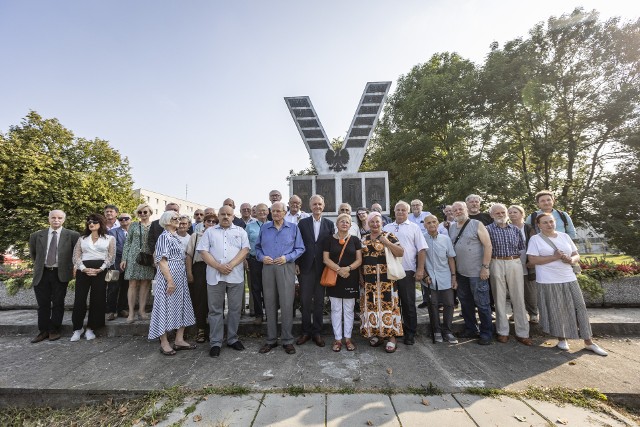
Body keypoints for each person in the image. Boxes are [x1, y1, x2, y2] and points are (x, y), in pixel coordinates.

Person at [527, 213, 607, 356]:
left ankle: (589, 342)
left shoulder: (564, 236)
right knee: (557, 310)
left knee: (580, 308)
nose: (549, 224)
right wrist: (554, 257)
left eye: (551, 221)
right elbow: (532, 261)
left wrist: (571, 260)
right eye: (545, 222)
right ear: (538, 225)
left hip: (569, 278)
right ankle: (562, 339)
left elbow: (577, 255)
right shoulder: (535, 239)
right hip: (548, 280)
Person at [198, 206, 250, 358]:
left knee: (234, 309)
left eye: (229, 214)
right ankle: (215, 342)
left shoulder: (241, 231)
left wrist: (231, 265)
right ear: (218, 216)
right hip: (215, 276)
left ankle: (233, 339)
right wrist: (218, 266)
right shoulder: (210, 232)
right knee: (215, 310)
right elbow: (203, 251)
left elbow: (245, 250)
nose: (226, 217)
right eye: (223, 214)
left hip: (235, 276)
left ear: (234, 216)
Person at [256, 201, 305, 355]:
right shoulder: (264, 228)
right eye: (273, 211)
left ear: (285, 212)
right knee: (269, 303)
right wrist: (262, 257)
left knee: (286, 304)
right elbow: (257, 248)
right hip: (268, 268)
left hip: (286, 267)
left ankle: (287, 340)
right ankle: (271, 339)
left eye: (279, 211)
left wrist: (287, 257)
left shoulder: (293, 228)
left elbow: (300, 248)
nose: (276, 213)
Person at [148, 211, 196, 356]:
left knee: (182, 305)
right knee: (164, 307)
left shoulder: (174, 236)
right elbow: (161, 260)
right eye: (174, 218)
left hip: (179, 275)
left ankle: (179, 339)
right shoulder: (164, 236)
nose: (178, 220)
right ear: (167, 221)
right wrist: (169, 281)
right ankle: (164, 342)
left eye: (179, 218)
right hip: (169, 276)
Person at [28, 210, 80, 343]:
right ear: (49, 219)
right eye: (53, 217)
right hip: (42, 273)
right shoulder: (36, 235)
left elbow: (76, 254)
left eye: (59, 218)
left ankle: (54, 330)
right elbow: (34, 254)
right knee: (42, 304)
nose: (56, 220)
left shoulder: (73, 235)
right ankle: (43, 331)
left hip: (60, 273)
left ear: (64, 219)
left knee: (58, 302)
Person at [383, 201, 427, 345]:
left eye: (403, 210)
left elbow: (421, 249)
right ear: (394, 211)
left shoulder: (414, 228)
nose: (400, 212)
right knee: (391, 303)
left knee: (408, 303)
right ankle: (395, 331)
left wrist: (420, 269)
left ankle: (410, 332)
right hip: (389, 270)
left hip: (407, 270)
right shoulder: (387, 227)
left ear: (407, 212)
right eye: (398, 210)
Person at [448, 201, 494, 345]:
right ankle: (471, 329)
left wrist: (485, 267)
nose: (457, 212)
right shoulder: (452, 227)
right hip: (461, 273)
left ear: (466, 210)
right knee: (466, 304)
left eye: (460, 209)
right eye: (454, 210)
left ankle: (486, 333)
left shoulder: (476, 224)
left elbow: (488, 245)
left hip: (477, 273)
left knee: (482, 303)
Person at [486, 204, 532, 346]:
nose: (500, 214)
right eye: (497, 213)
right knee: (499, 297)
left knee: (518, 297)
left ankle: (522, 333)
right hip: (496, 262)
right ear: (492, 215)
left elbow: (521, 248)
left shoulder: (516, 230)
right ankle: (502, 332)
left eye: (503, 212)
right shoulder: (487, 230)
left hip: (514, 262)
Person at [360, 212, 404, 353]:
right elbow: (360, 260)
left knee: (389, 307)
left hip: (387, 280)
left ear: (382, 222)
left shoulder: (389, 236)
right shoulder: (364, 238)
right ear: (368, 223)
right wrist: (360, 278)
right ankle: (378, 335)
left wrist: (387, 243)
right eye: (371, 222)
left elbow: (400, 252)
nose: (375, 224)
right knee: (373, 307)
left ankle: (391, 338)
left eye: (377, 221)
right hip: (370, 281)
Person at [296, 195, 335, 347]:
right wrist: (296, 263)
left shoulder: (329, 224)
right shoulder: (303, 223)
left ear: (323, 206)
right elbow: (298, 243)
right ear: (310, 206)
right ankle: (306, 332)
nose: (317, 206)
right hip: (306, 267)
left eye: (319, 204)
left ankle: (317, 332)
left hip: (322, 267)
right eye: (314, 204)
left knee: (319, 302)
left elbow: (331, 247)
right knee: (305, 301)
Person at [70, 214, 116, 341]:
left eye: (95, 221)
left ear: (101, 223)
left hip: (100, 271)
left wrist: (100, 269)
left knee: (98, 300)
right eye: (89, 221)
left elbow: (111, 257)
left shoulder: (109, 238)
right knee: (79, 299)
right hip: (83, 270)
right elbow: (76, 256)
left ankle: (91, 328)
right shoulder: (82, 239)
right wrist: (84, 268)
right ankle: (77, 329)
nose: (91, 223)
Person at [322, 213, 362, 352]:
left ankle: (348, 338)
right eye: (342, 221)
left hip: (350, 277)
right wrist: (339, 270)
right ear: (337, 224)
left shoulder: (355, 240)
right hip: (335, 277)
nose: (344, 223)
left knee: (349, 310)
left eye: (347, 222)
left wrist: (348, 268)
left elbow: (359, 260)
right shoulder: (328, 240)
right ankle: (338, 339)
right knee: (336, 309)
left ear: (350, 225)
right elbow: (326, 259)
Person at [422, 215, 458, 344]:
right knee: (433, 305)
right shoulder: (422, 239)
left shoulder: (445, 239)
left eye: (434, 222)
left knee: (449, 303)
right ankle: (436, 331)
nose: (431, 224)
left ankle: (447, 331)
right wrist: (425, 275)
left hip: (445, 276)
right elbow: (419, 260)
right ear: (424, 225)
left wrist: (454, 277)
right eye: (428, 223)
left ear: (438, 224)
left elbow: (451, 258)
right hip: (430, 278)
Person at [121, 203, 156, 323]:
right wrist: (124, 258)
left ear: (150, 213)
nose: (142, 214)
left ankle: (142, 310)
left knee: (146, 284)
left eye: (145, 212)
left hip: (148, 257)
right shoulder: (133, 225)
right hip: (133, 256)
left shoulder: (155, 226)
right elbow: (127, 243)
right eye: (140, 212)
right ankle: (131, 313)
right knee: (132, 284)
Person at [185, 212, 217, 343]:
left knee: (215, 299)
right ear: (204, 222)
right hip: (200, 269)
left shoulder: (219, 236)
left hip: (215, 268)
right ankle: (201, 329)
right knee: (200, 300)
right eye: (208, 221)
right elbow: (189, 256)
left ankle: (214, 329)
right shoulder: (196, 236)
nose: (211, 224)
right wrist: (189, 273)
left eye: (214, 222)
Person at [508, 205, 538, 323]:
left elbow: (535, 244)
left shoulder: (528, 228)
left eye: (515, 212)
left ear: (522, 214)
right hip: (511, 262)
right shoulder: (506, 227)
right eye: (510, 212)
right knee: (513, 289)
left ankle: (533, 313)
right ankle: (516, 312)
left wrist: (532, 260)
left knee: (530, 290)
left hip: (527, 262)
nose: (512, 214)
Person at [246, 203, 269, 325]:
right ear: (255, 212)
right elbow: (244, 244)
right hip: (254, 260)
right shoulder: (250, 226)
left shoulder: (272, 225)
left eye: (264, 210)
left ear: (268, 212)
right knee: (255, 288)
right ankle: (259, 314)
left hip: (270, 261)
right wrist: (246, 259)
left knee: (269, 288)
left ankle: (270, 314)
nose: (262, 212)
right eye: (259, 210)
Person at [106, 212, 131, 321]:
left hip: (130, 265)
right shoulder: (112, 232)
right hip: (113, 264)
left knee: (126, 287)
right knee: (112, 288)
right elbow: (115, 247)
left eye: (126, 218)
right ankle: (111, 311)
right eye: (121, 219)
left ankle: (122, 309)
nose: (124, 221)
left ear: (131, 219)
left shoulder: (134, 231)